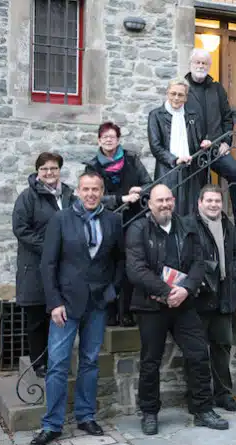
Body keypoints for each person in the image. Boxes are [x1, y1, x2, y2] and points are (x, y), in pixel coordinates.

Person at [126, 184, 229, 434]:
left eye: (168, 200)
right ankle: (150, 412)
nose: (165, 205)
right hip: (151, 305)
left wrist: (185, 289)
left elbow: (198, 263)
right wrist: (165, 292)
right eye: (159, 200)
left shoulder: (186, 226)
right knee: (150, 361)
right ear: (149, 203)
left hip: (183, 303)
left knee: (198, 354)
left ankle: (202, 409)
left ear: (173, 200)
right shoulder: (138, 229)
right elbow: (136, 269)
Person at [31, 172, 124, 445]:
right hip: (66, 306)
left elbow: (120, 261)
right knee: (58, 365)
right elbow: (48, 265)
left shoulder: (113, 220)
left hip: (97, 304)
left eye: (96, 189)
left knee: (90, 362)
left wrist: (112, 291)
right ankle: (52, 424)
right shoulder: (61, 220)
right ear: (78, 191)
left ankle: (85, 416)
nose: (91, 194)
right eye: (86, 189)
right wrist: (54, 302)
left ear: (102, 191)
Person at [12, 152, 77, 378]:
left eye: (53, 168)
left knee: (58, 318)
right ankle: (39, 363)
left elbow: (86, 210)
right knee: (37, 318)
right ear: (38, 172)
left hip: (61, 268)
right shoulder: (28, 197)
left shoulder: (68, 195)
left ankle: (57, 360)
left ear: (59, 170)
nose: (49, 173)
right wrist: (49, 247)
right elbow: (21, 230)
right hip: (35, 267)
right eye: (44, 169)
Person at [85, 121, 152, 327]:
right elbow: (92, 196)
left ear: (118, 139)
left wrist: (139, 191)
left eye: (112, 137)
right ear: (99, 140)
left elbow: (148, 183)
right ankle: (110, 311)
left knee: (130, 264)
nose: (108, 140)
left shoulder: (132, 159)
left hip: (133, 220)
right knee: (109, 264)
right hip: (106, 220)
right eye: (104, 137)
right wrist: (121, 199)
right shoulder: (92, 167)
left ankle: (127, 311)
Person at [182, 184, 236, 412]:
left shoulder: (228, 225)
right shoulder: (189, 225)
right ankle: (197, 398)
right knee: (196, 352)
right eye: (209, 201)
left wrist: (233, 288)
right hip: (199, 297)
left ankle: (224, 395)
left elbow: (235, 257)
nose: (214, 205)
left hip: (223, 296)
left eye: (217, 201)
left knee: (222, 348)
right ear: (200, 203)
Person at [185, 49, 236, 233]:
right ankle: (196, 226)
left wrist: (226, 142)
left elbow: (227, 118)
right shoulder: (183, 88)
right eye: (197, 62)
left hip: (216, 148)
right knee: (196, 187)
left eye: (204, 63)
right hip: (193, 151)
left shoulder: (216, 88)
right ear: (190, 64)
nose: (200, 66)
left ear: (209, 66)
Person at [147, 78, 211, 216]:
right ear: (167, 93)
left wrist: (205, 143)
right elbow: (155, 146)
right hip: (167, 171)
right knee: (168, 209)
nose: (176, 98)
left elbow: (198, 141)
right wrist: (174, 160)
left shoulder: (194, 115)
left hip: (191, 170)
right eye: (173, 93)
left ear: (186, 97)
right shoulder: (156, 115)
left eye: (180, 95)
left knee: (191, 211)